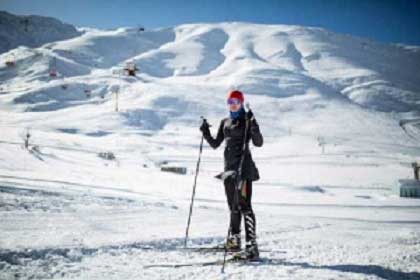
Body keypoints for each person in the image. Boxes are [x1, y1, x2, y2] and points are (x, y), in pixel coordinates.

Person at [199, 90, 263, 260]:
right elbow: (215, 144)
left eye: (236, 101)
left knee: (245, 207)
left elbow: (259, 142)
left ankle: (252, 247)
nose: (233, 104)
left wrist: (254, 123)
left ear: (241, 103)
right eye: (230, 101)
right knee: (233, 207)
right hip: (228, 171)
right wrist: (205, 132)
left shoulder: (247, 121)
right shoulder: (225, 122)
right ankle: (234, 241)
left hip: (244, 170)